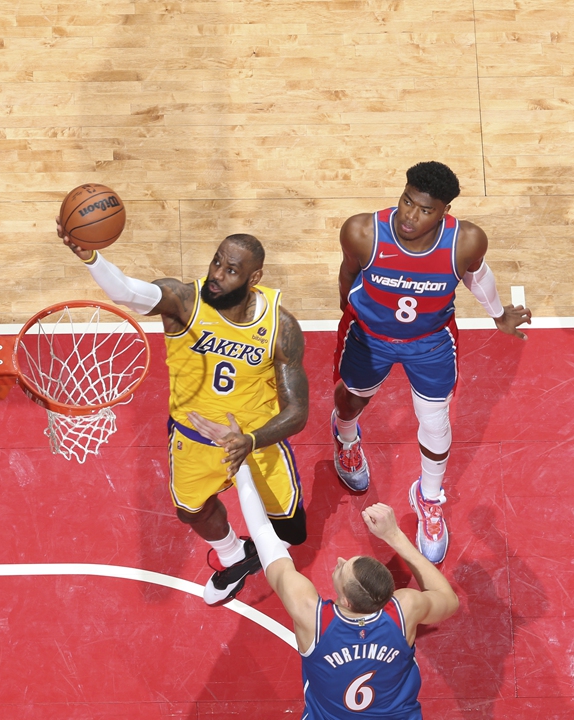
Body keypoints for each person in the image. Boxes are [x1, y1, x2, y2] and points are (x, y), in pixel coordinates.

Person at [59, 222, 310, 606]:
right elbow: (127, 291)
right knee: (191, 512)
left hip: (257, 441)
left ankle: (255, 553)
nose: (217, 275)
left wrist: (250, 440)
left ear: (254, 278)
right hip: (194, 442)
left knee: (293, 533)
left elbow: (298, 410)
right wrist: (91, 257)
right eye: (216, 262)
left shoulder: (281, 327)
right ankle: (233, 556)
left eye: (231, 270)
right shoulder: (184, 301)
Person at [185, 421, 459, 720]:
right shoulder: (406, 610)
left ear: (346, 601)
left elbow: (263, 536)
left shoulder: (312, 617)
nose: (339, 560)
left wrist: (240, 463)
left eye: (342, 569)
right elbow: (447, 599)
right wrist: (395, 536)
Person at [332, 161, 532, 564]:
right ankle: (346, 438)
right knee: (351, 399)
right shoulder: (362, 231)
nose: (410, 215)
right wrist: (350, 312)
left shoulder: (466, 240)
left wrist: (499, 315)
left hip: (430, 343)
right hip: (370, 336)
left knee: (436, 421)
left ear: (444, 212)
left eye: (425, 210)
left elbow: (477, 276)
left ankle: (428, 497)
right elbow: (348, 274)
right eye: (407, 201)